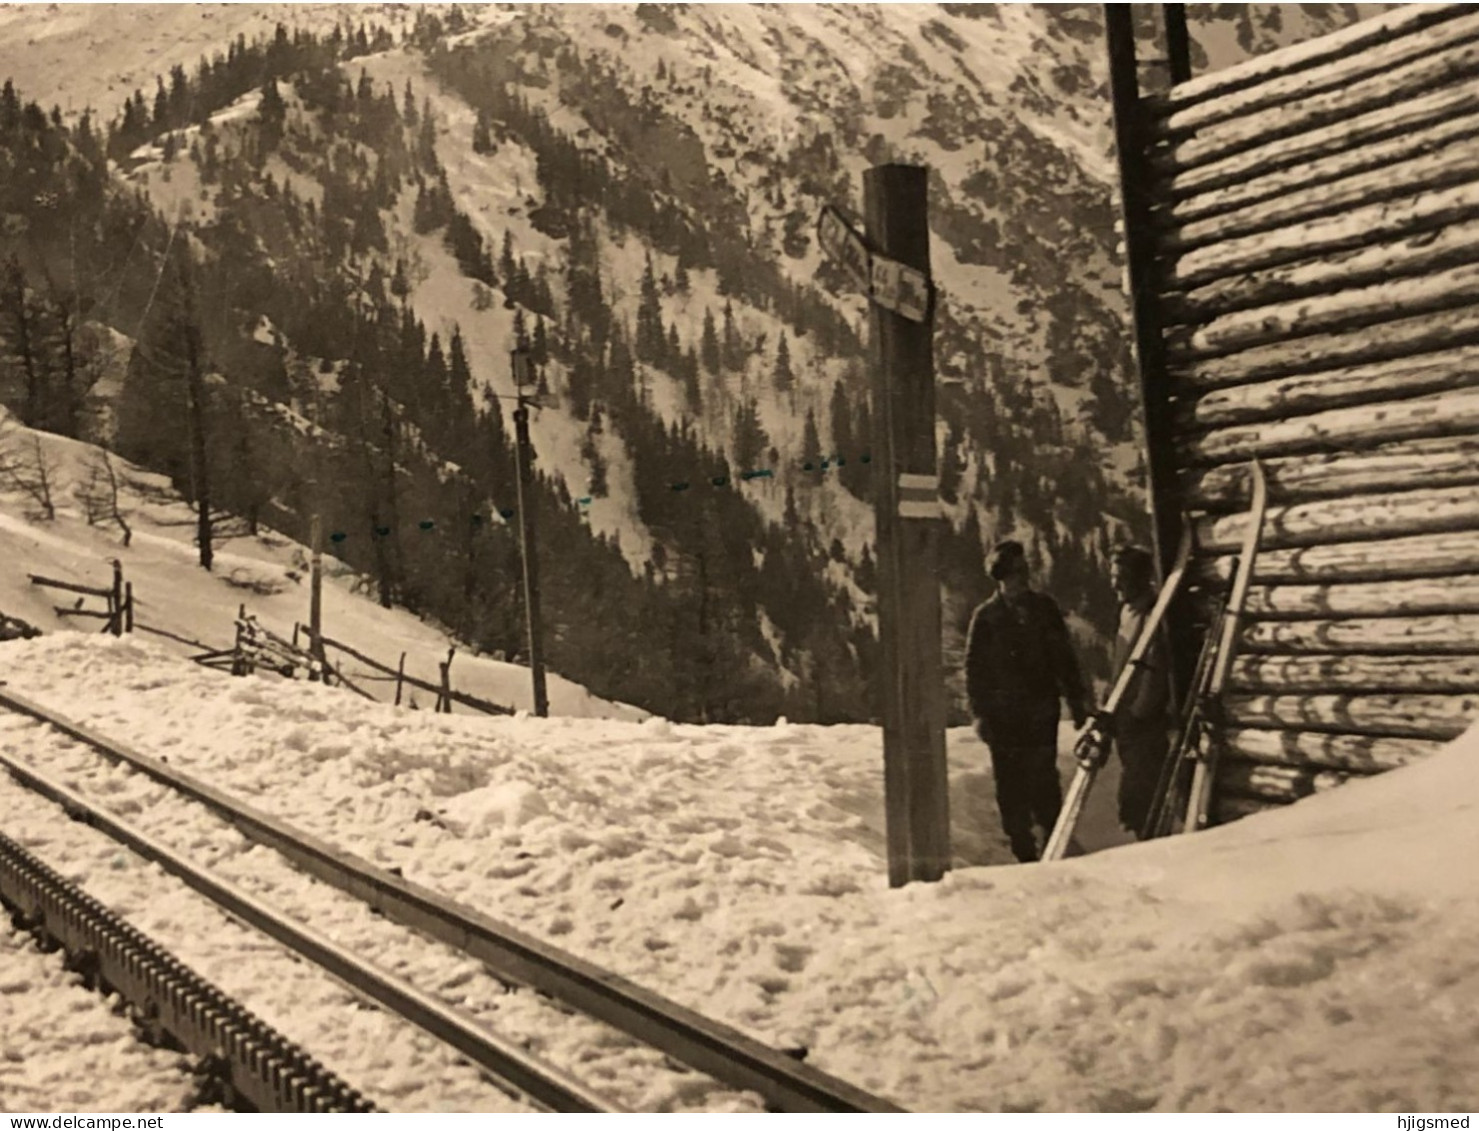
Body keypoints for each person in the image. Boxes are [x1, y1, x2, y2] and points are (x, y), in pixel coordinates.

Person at [965, 540, 1091, 863]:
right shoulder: (986, 617)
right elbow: (974, 672)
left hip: (1039, 715)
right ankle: (1024, 854)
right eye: (1015, 572)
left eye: (1025, 571)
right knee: (1010, 789)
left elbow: (1064, 659)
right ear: (1001, 576)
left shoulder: (1044, 609)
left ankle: (1055, 848)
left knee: (1045, 783)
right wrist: (980, 715)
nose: (1023, 578)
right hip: (1003, 721)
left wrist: (1077, 703)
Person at [1107, 545, 1171, 839]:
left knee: (1142, 789)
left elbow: (1156, 668)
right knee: (1134, 785)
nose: (1115, 583)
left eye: (1122, 576)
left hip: (1144, 723)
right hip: (1126, 720)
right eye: (1113, 575)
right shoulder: (1127, 612)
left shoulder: (1152, 614)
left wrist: (1138, 712)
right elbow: (1121, 665)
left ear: (1140, 578)